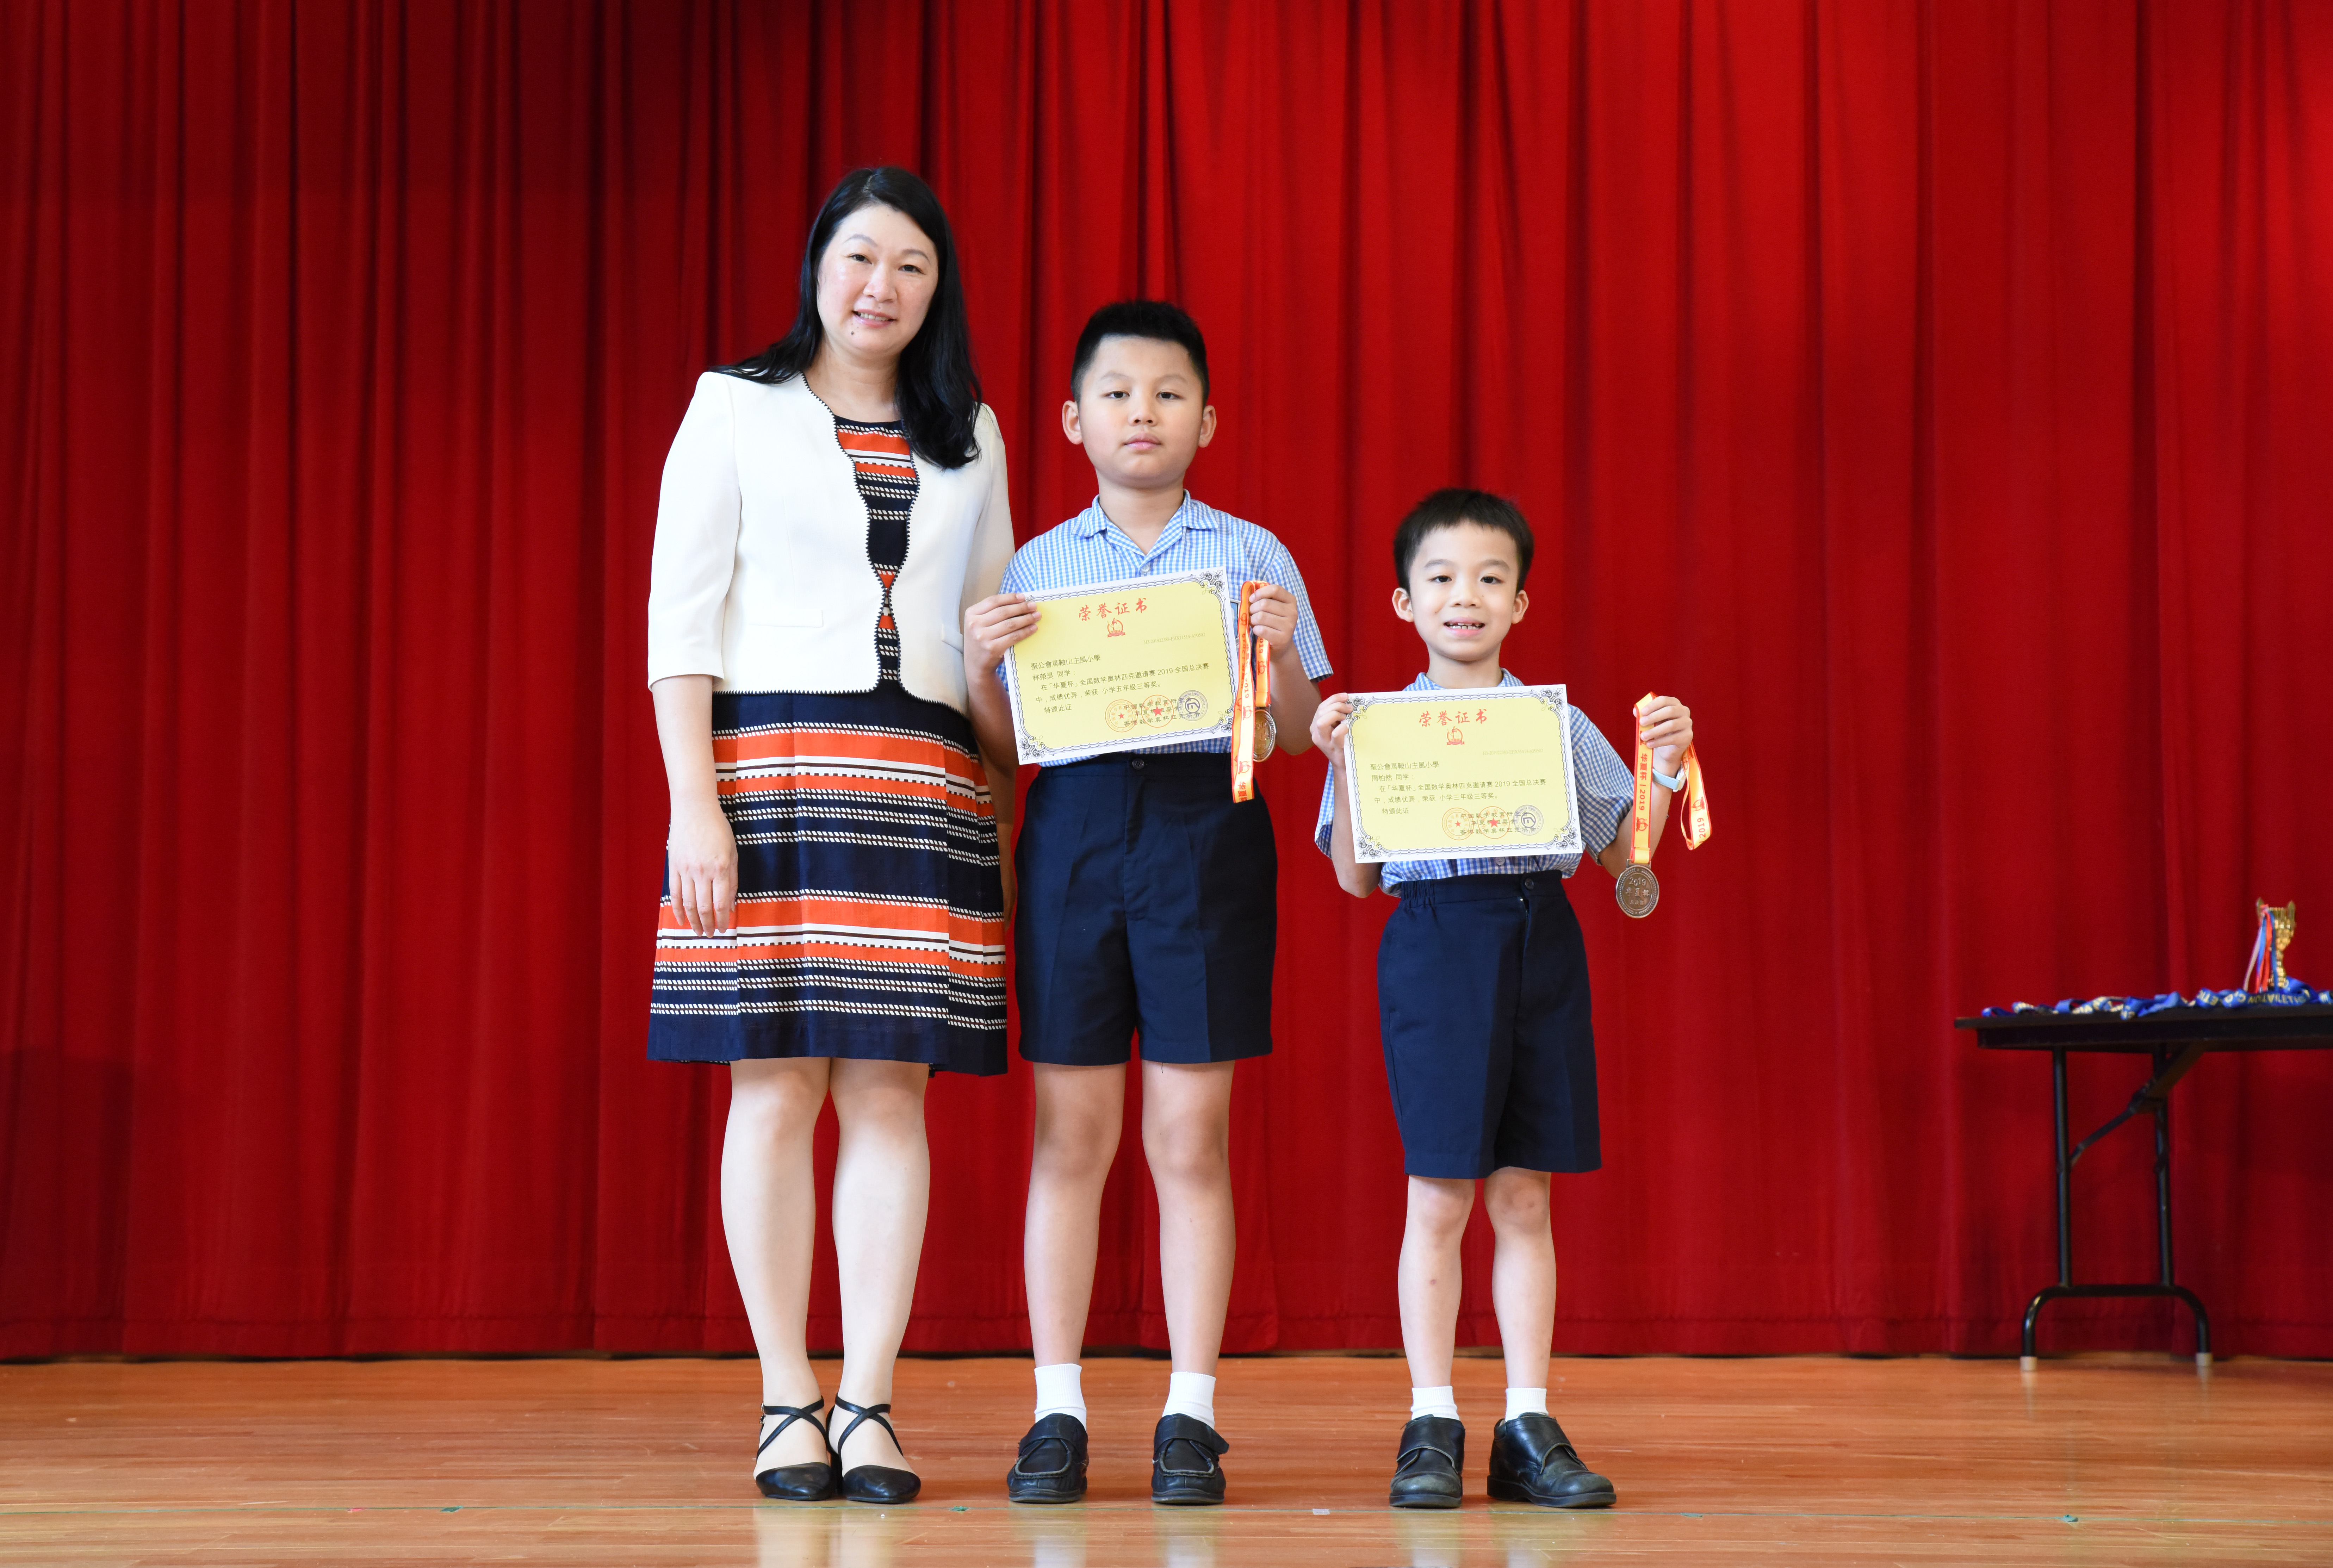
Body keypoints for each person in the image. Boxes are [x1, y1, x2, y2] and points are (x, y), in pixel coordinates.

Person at [644, 166, 1016, 1505]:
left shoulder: (973, 430)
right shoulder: (732, 406)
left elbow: (989, 632)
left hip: (922, 777)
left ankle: (868, 1403)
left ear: (938, 290)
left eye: (912, 266)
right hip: (767, 772)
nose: (882, 287)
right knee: (774, 1088)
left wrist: (1005, 787)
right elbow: (679, 624)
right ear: (819, 265)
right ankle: (784, 1399)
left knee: (889, 1094)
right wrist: (694, 805)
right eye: (861, 257)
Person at [961, 301, 1331, 1506]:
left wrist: (1281, 650)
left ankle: (1192, 1411)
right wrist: (980, 668)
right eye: (1117, 393)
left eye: (1169, 394)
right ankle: (1056, 1406)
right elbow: (1007, 747)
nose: (1142, 413)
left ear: (1206, 420)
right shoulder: (1036, 568)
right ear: (1074, 421)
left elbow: (1294, 738)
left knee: (1189, 1139)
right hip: (1072, 833)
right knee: (1070, 1136)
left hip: (1206, 832)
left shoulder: (1257, 556)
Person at [1308, 489, 1696, 1511]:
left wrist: (1664, 767)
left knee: (1526, 1196)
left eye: (1490, 579)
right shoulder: (1375, 727)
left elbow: (1625, 857)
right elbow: (1354, 878)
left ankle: (1527, 1422)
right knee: (1439, 1196)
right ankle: (1431, 1419)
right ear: (1404, 601)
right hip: (1435, 944)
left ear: (1520, 602)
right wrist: (1342, 762)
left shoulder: (1553, 722)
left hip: (1540, 941)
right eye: (1441, 578)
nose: (1465, 597)